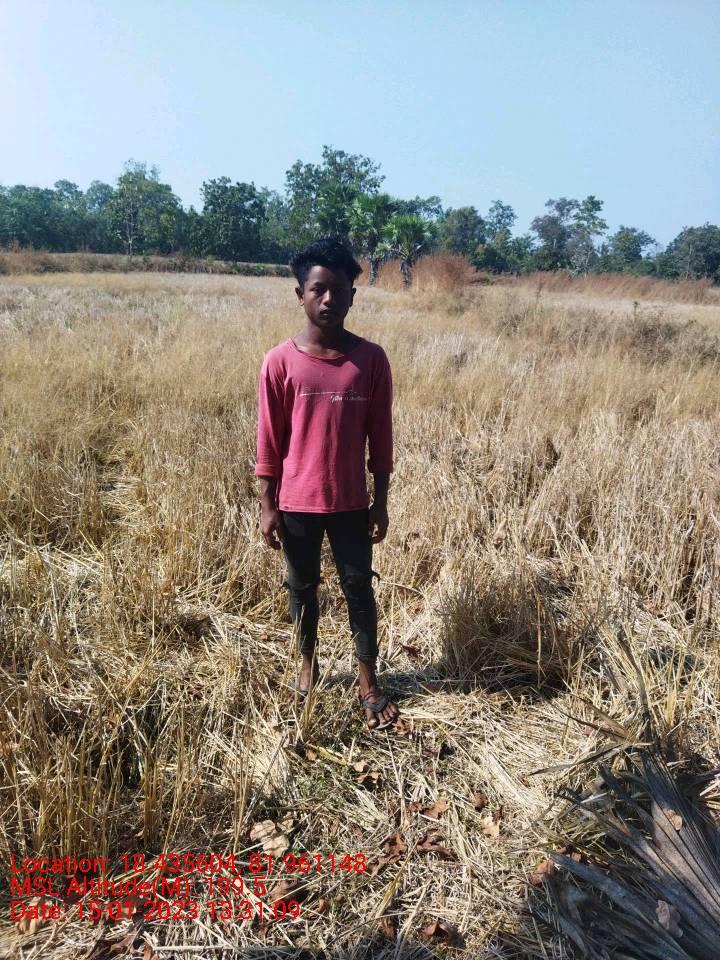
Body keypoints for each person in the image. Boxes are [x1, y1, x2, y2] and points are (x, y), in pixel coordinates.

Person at [255, 237, 399, 731]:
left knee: (359, 587)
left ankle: (368, 680)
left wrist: (381, 501)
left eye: (339, 290)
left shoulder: (371, 360)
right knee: (301, 587)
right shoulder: (279, 362)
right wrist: (267, 503)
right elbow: (269, 439)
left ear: (353, 296)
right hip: (297, 501)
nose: (329, 299)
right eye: (318, 289)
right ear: (300, 294)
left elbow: (381, 436)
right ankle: (307, 667)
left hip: (351, 503)